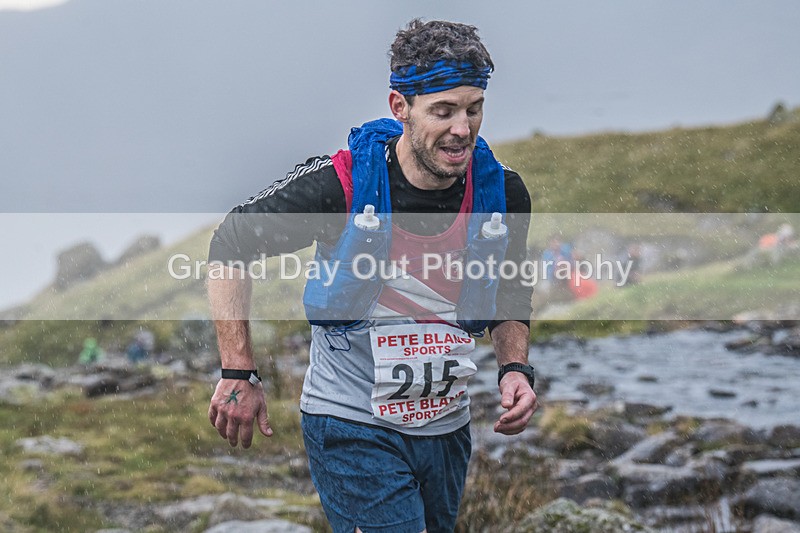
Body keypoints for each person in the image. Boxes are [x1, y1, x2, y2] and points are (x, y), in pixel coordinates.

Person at [206, 19, 538, 533]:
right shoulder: (340, 186)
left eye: (474, 109)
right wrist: (238, 372)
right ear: (400, 107)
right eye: (443, 111)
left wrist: (514, 368)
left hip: (447, 428)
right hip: (350, 423)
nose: (462, 128)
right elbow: (230, 245)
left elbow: (510, 287)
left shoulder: (502, 194)